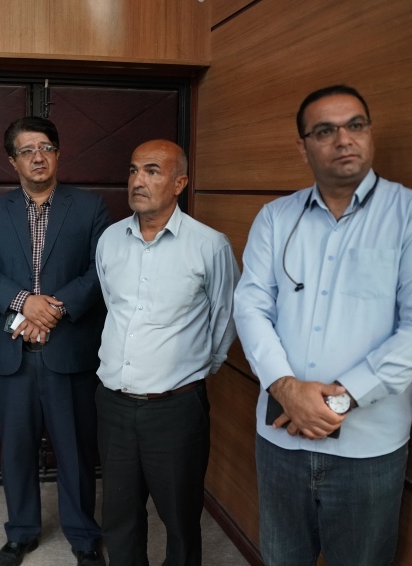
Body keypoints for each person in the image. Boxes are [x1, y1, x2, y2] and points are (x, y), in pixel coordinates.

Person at [233, 85, 412, 566]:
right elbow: (251, 306)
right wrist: (286, 388)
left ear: (370, 134)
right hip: (280, 438)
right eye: (325, 131)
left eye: (355, 125)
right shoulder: (276, 217)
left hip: (368, 448)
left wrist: (335, 401)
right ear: (303, 147)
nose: (343, 139)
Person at [0, 117, 110, 566]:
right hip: (14, 354)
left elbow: (101, 270)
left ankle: (83, 536)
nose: (38, 157)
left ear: (58, 154)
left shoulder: (90, 208)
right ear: (13, 161)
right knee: (17, 450)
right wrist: (25, 302)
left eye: (46, 147)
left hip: (70, 351)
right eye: (27, 150)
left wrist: (54, 309)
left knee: (76, 451)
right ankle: (21, 532)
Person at [95, 139, 239, 566]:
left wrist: (194, 371)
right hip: (114, 404)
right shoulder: (109, 240)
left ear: (180, 183)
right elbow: (112, 305)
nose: (138, 180)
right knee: (118, 515)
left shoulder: (209, 245)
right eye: (133, 170)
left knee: (180, 519)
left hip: (175, 409)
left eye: (152, 171)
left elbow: (226, 318)